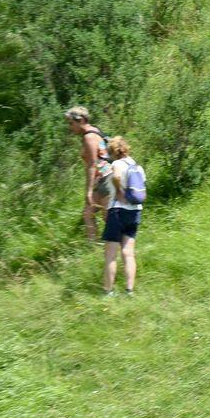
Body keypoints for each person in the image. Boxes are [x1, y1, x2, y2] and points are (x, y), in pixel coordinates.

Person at [100, 136, 143, 296]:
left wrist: (119, 191)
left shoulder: (117, 164)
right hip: (135, 211)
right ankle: (129, 290)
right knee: (128, 252)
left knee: (111, 254)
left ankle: (108, 291)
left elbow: (117, 177)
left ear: (112, 152)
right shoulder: (136, 165)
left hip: (117, 211)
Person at [65, 106, 110, 239]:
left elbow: (92, 164)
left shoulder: (89, 137)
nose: (70, 127)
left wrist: (89, 191)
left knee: (108, 217)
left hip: (106, 178)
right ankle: (93, 248)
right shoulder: (95, 131)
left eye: (71, 123)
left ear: (81, 121)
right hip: (103, 178)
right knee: (88, 213)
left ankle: (117, 247)